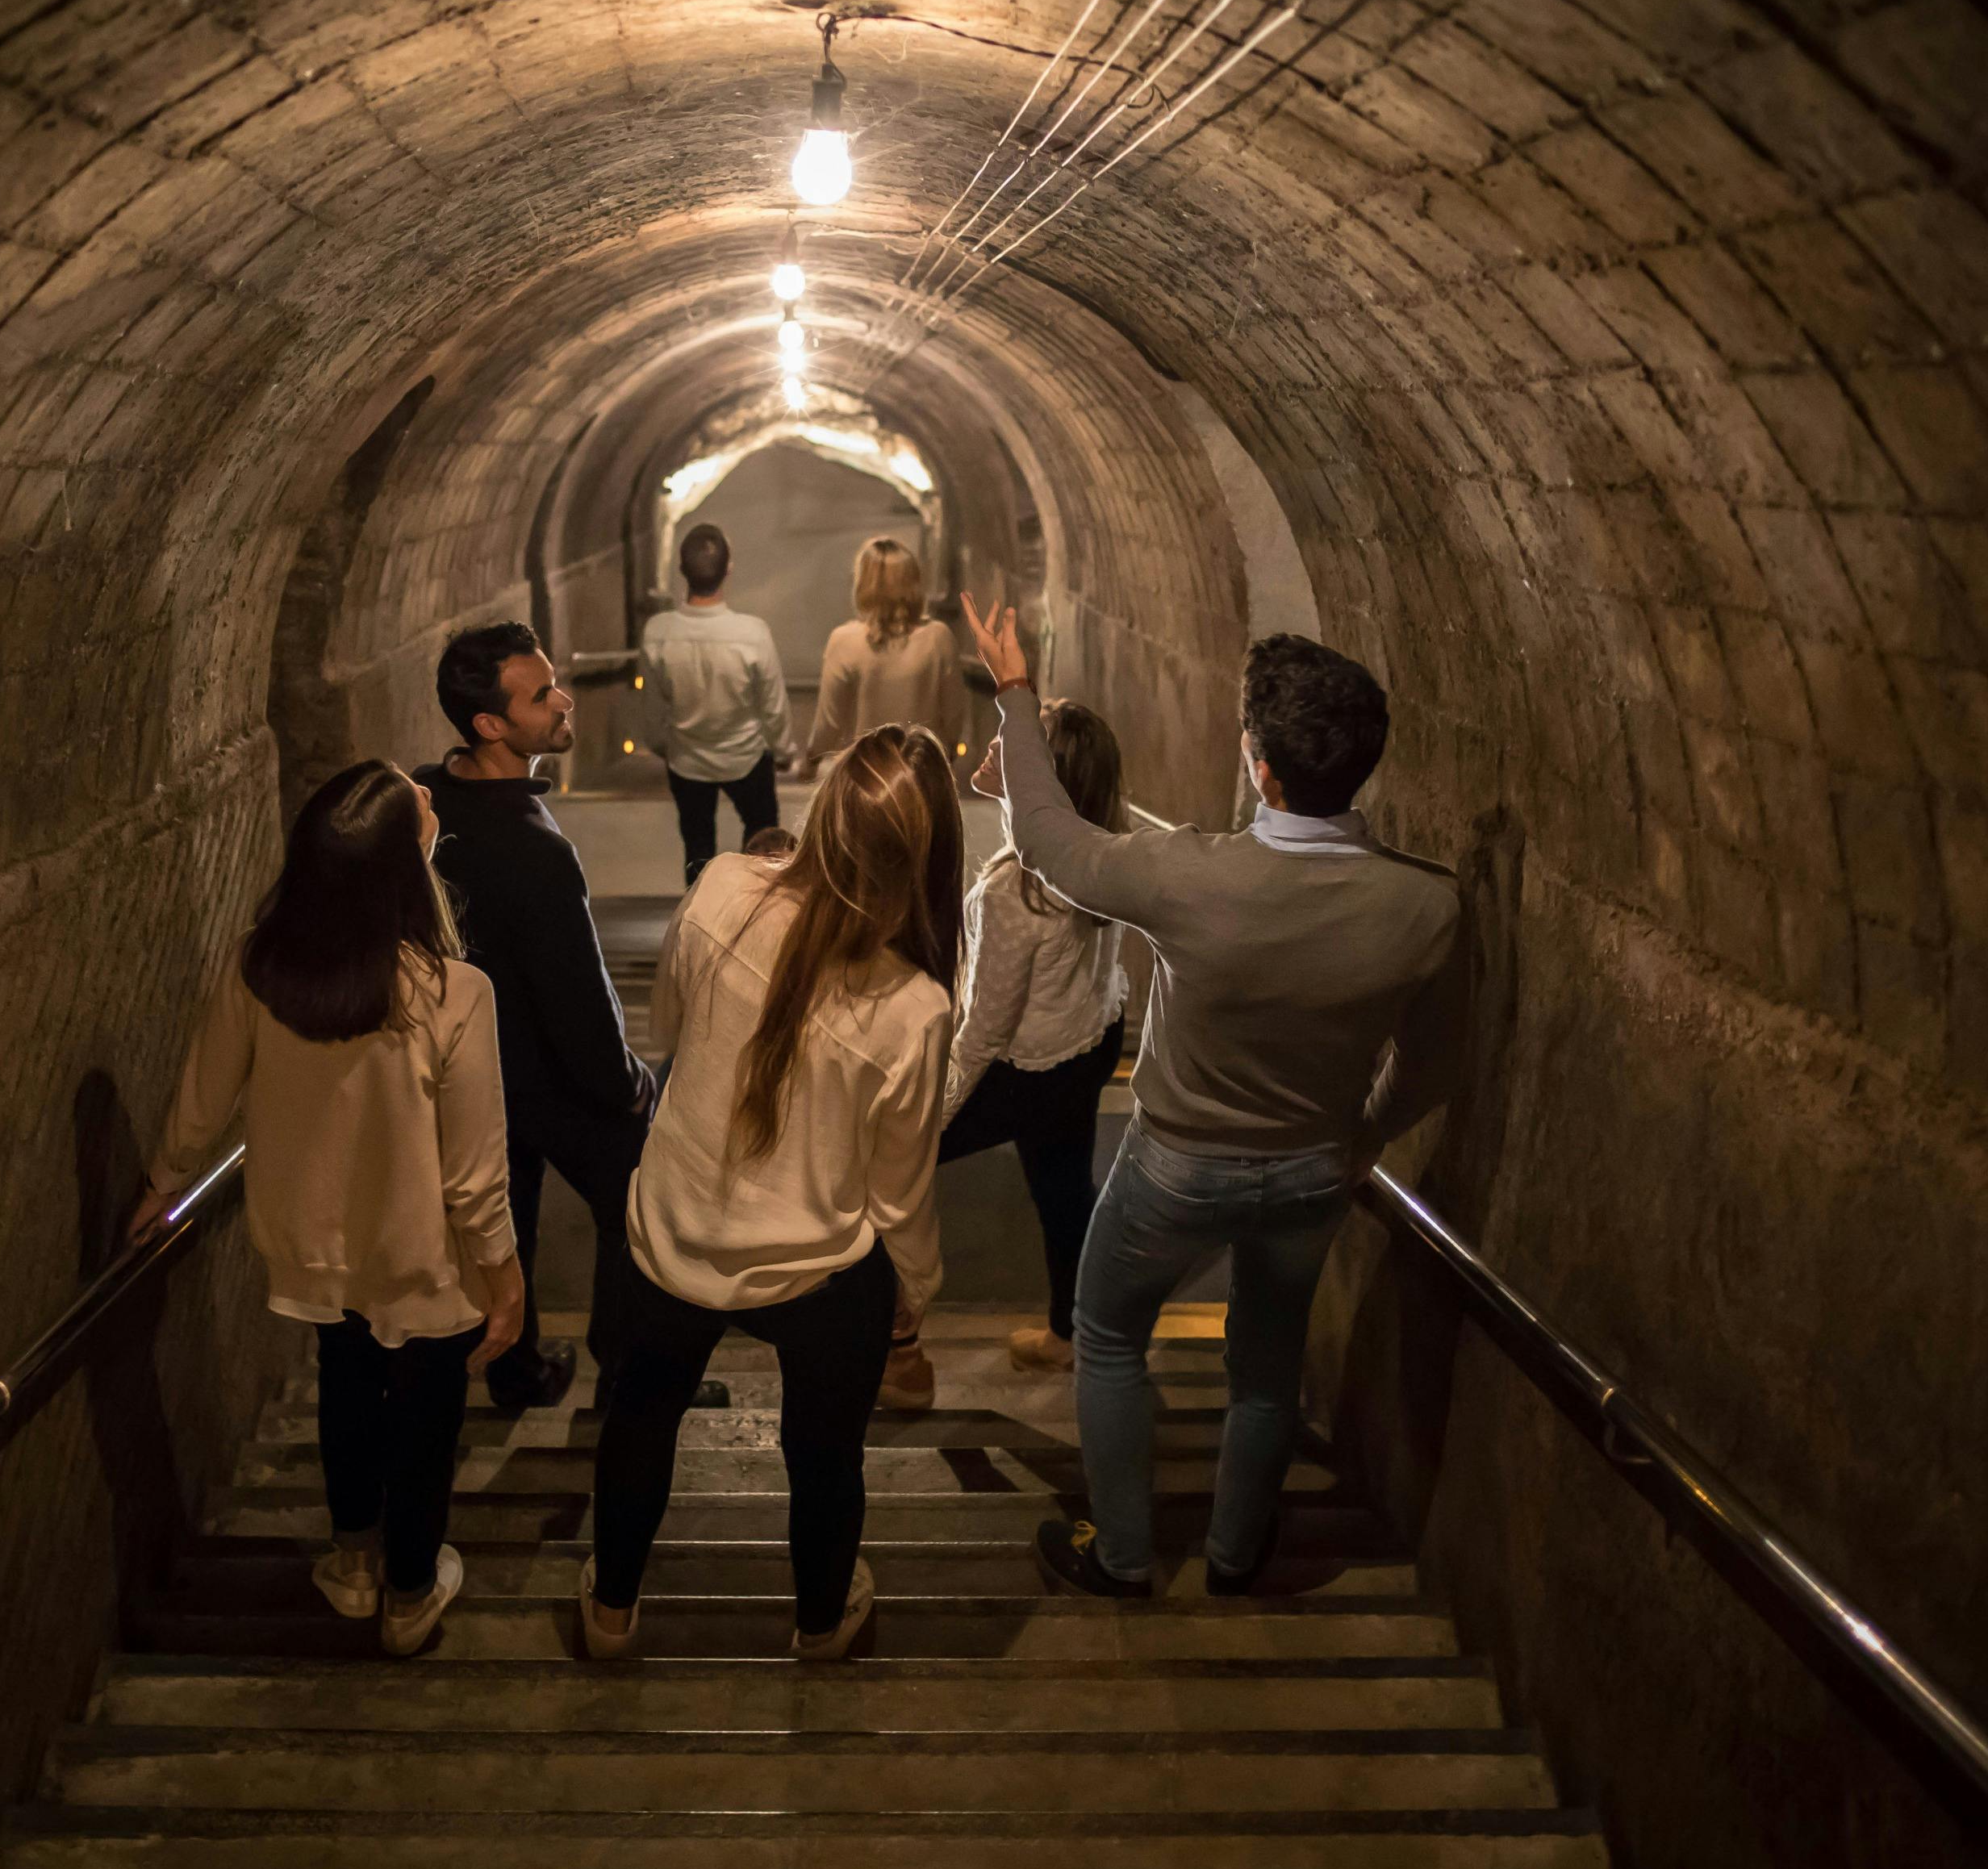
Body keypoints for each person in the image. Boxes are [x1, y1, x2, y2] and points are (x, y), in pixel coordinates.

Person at [958, 602, 1468, 1601]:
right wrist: (1359, 1139)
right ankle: (1236, 1555)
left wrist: (1014, 694)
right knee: (1266, 1367)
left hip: (1176, 1164)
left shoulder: (1193, 876)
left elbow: (1053, 844)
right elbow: (1433, 1061)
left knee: (1106, 1335)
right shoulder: (1427, 905)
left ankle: (1124, 1553)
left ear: (1260, 765)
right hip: (1314, 1167)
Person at [583, 727, 963, 1663]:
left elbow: (668, 1030)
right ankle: (821, 1621)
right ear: (928, 864)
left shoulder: (719, 890)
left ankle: (612, 1610)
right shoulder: (915, 1010)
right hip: (816, 1264)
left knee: (639, 1416)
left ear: (822, 815)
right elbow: (897, 1190)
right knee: (825, 1454)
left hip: (674, 1227)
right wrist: (916, 1290)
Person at [133, 760, 520, 1654]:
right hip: (421, 1253)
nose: (428, 798)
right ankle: (411, 1591)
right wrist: (502, 1273)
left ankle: (352, 1566)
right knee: (427, 1422)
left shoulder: (262, 967)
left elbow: (205, 1090)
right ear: (402, 866)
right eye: (416, 802)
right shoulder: (451, 992)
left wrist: (162, 1184)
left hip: (310, 1244)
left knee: (345, 1387)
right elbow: (472, 1169)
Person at [416, 623, 725, 1416]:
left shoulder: (425, 806)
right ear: (490, 725)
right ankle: (628, 1374)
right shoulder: (533, 849)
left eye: (555, 682)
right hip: (551, 1079)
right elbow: (576, 994)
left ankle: (514, 1370)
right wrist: (627, 1085)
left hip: (466, 1074)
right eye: (540, 694)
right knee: (638, 1200)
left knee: (505, 1217)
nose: (562, 701)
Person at [925, 700, 1131, 1382]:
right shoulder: (1103, 853)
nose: (990, 746)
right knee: (1064, 1185)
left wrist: (926, 1122)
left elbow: (983, 1033)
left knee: (887, 1168)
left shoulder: (1013, 892)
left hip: (1032, 1066)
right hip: (1091, 1034)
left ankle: (891, 1347)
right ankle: (1079, 1333)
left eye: (1011, 742)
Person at [639, 521, 791, 889]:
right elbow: (773, 704)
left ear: (681, 570)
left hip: (688, 758)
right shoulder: (752, 633)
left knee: (697, 847)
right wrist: (785, 750)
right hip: (747, 756)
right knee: (763, 845)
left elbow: (650, 704)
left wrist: (662, 745)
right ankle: (756, 911)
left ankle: (700, 916)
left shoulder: (659, 632)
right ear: (729, 569)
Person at [808, 536, 967, 769]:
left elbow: (829, 723)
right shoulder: (938, 637)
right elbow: (954, 715)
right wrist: (949, 751)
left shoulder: (845, 640)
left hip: (865, 773)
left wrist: (812, 758)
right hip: (922, 770)